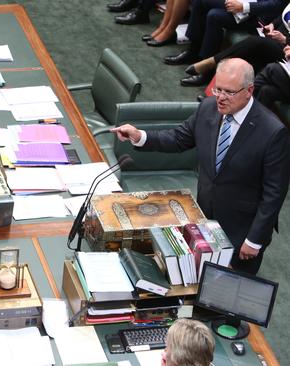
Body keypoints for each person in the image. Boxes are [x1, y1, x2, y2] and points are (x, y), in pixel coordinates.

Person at [111, 58, 290, 275]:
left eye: (229, 92)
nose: (221, 98)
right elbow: (178, 139)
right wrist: (140, 136)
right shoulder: (208, 108)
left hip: (240, 231)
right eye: (218, 89)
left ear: (249, 91)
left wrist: (254, 240)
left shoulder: (272, 132)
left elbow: (274, 193)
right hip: (204, 218)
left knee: (226, 295)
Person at [182, 3, 290, 86]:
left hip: (286, 50)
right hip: (274, 36)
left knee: (255, 43)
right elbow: (284, 14)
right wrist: (272, 24)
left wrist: (285, 39)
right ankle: (220, 92)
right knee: (251, 53)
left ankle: (212, 62)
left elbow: (277, 4)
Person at [164, 0, 285, 65]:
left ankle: (205, 64)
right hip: (245, 2)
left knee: (214, 15)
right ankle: (193, 51)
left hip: (259, 17)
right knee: (200, 1)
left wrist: (244, 6)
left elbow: (276, 4)